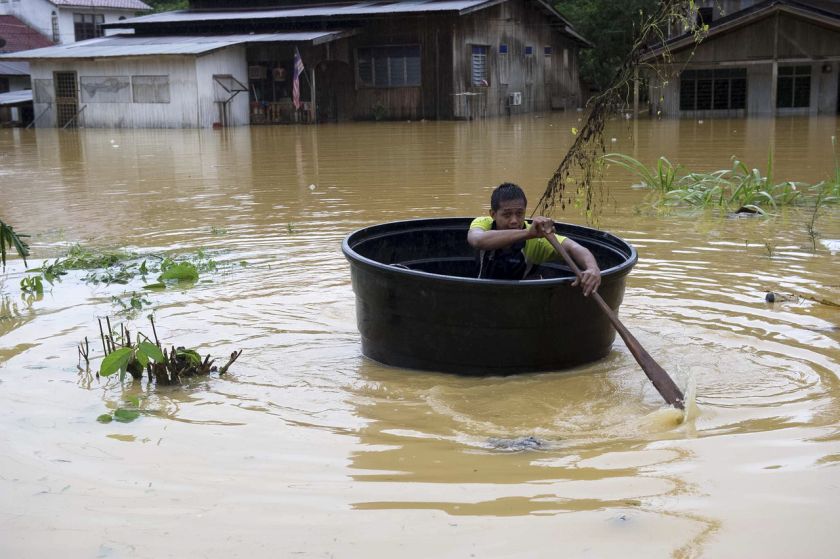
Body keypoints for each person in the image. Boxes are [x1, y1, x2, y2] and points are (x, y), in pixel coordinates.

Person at [467, 182, 601, 295]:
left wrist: (592, 268)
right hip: (482, 295)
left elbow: (574, 247)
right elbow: (477, 240)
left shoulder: (535, 239)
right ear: (493, 214)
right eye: (507, 215)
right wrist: (528, 233)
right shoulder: (484, 223)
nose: (514, 221)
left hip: (521, 298)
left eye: (520, 214)